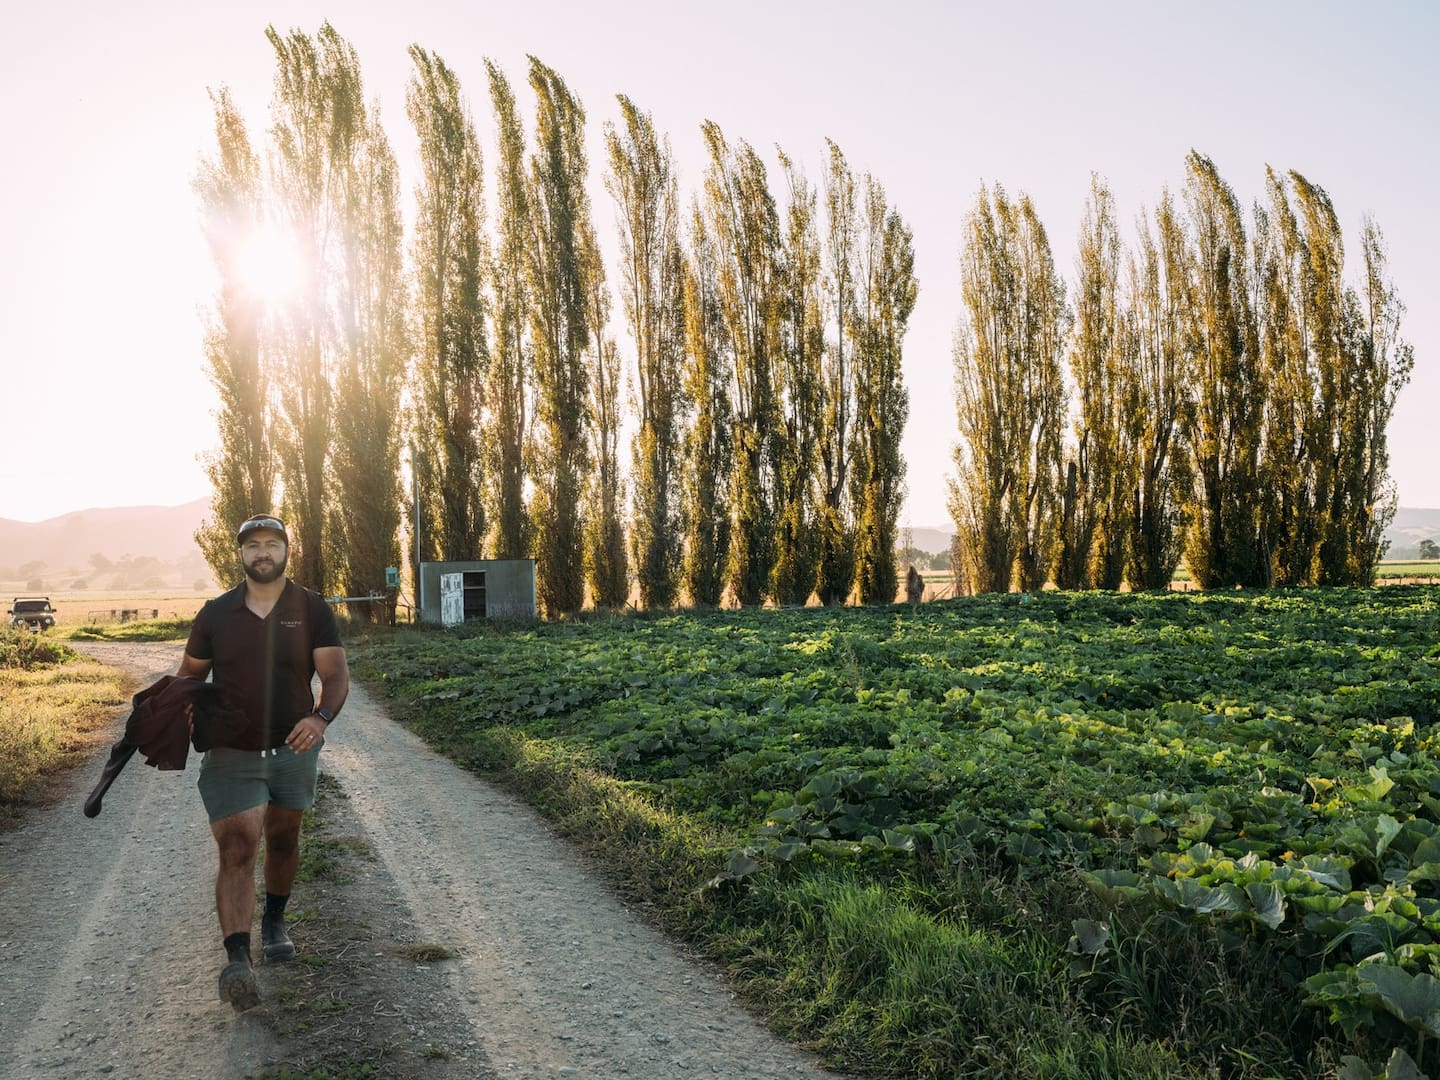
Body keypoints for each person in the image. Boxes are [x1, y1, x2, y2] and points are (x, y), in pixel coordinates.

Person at [177, 514, 349, 1012]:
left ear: (287, 550)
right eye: (253, 545)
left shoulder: (311, 608)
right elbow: (189, 676)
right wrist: (175, 711)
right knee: (237, 847)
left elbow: (335, 676)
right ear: (241, 554)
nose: (263, 552)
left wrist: (319, 718)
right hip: (231, 751)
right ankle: (238, 961)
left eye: (272, 543)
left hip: (293, 749)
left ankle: (274, 920)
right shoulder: (215, 614)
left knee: (283, 838)